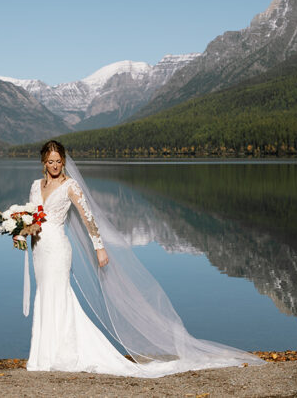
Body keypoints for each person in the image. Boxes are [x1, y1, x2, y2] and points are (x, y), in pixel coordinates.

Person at [24, 140, 262, 376]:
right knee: (44, 294)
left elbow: (89, 219)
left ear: (63, 162)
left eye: (58, 161)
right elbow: (31, 217)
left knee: (59, 294)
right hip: (39, 249)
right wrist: (20, 230)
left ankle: (63, 353)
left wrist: (99, 248)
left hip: (57, 249)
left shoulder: (70, 186)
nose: (54, 165)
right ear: (44, 163)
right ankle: (43, 354)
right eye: (50, 161)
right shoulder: (36, 187)